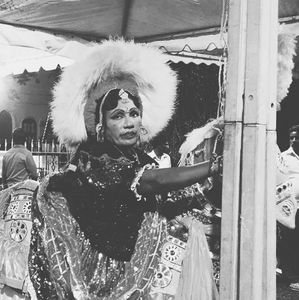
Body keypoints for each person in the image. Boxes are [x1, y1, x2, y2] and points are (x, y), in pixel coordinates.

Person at [24, 40, 221, 299]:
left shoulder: (138, 156)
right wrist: (213, 166)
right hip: (107, 268)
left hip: (139, 256)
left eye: (134, 113)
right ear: (101, 126)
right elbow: (153, 182)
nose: (129, 123)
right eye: (118, 116)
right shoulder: (94, 158)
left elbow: (168, 192)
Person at [277, 124, 299, 291]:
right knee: (291, 242)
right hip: (292, 206)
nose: (293, 140)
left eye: (296, 137)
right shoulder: (284, 157)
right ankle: (293, 276)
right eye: (290, 137)